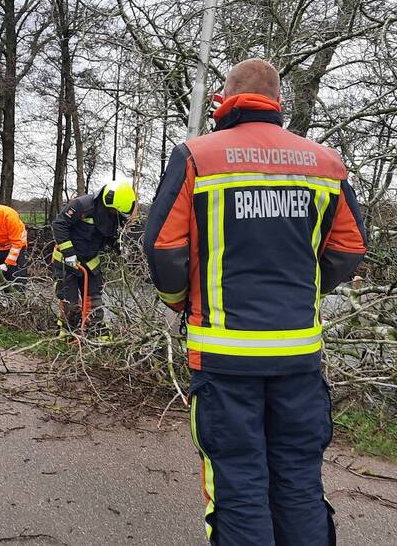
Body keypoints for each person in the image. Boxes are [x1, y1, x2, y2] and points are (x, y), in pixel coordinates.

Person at [143, 58, 367, 545]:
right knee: (299, 481)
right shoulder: (326, 164)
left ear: (225, 101)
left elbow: (163, 248)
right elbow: (350, 249)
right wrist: (307, 290)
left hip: (224, 355)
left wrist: (181, 301)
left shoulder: (197, 156)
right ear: (278, 104)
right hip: (298, 356)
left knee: (238, 483)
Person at [50, 180, 136, 337]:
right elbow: (59, 225)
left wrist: (120, 248)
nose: (115, 215)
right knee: (71, 303)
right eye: (114, 212)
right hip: (66, 260)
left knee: (94, 300)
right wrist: (69, 253)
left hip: (90, 261)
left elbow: (110, 235)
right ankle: (68, 333)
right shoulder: (82, 205)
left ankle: (96, 334)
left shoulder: (115, 215)